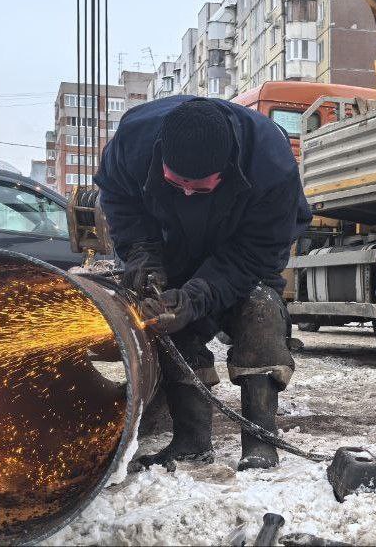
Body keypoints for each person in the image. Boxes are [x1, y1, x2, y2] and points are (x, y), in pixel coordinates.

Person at [94, 96, 312, 470]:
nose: (188, 194)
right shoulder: (133, 142)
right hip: (171, 247)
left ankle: (260, 438)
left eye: (201, 188)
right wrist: (143, 255)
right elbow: (119, 202)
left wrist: (199, 296)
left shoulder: (271, 166)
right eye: (177, 184)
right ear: (160, 156)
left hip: (241, 250)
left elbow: (254, 255)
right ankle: (191, 439)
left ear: (226, 170)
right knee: (169, 321)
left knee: (260, 310)